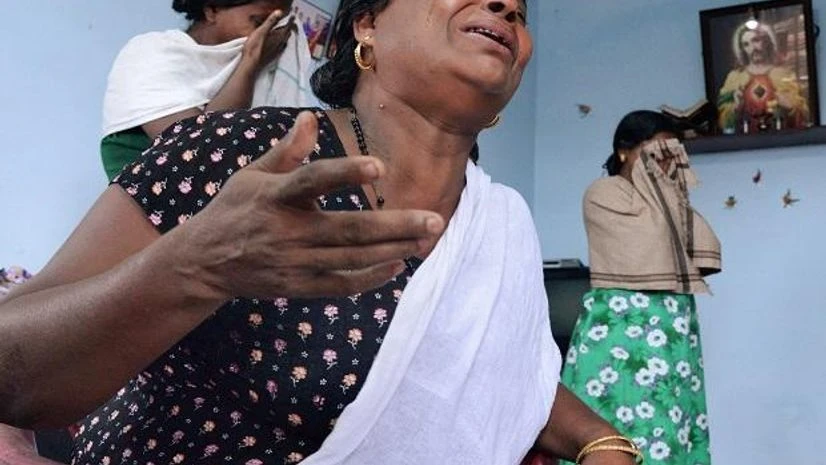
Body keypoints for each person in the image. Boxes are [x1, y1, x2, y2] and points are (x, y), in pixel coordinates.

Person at [0, 1, 642, 464]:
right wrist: (192, 269)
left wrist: (600, 443)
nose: (507, 7)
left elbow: (504, 373)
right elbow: (11, 370)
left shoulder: (501, 222)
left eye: (523, 12)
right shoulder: (235, 152)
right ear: (367, 25)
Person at [560, 110, 722, 464]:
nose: (664, 161)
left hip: (672, 338)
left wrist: (673, 191)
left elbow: (703, 250)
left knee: (672, 431)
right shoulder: (605, 192)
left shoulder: (670, 202)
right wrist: (663, 189)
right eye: (655, 150)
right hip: (622, 339)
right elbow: (651, 243)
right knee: (621, 434)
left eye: (672, 151)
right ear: (623, 151)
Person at [100, 0, 317, 180]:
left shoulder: (266, 66)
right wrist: (250, 63)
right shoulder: (149, 54)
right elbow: (198, 153)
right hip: (145, 223)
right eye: (260, 22)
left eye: (281, 24)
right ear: (212, 10)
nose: (272, 34)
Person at [717, 22, 809, 133]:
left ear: (767, 42)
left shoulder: (784, 75)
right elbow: (723, 120)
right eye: (746, 44)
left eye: (756, 40)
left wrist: (790, 106)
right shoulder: (734, 78)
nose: (753, 48)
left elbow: (805, 115)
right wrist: (735, 107)